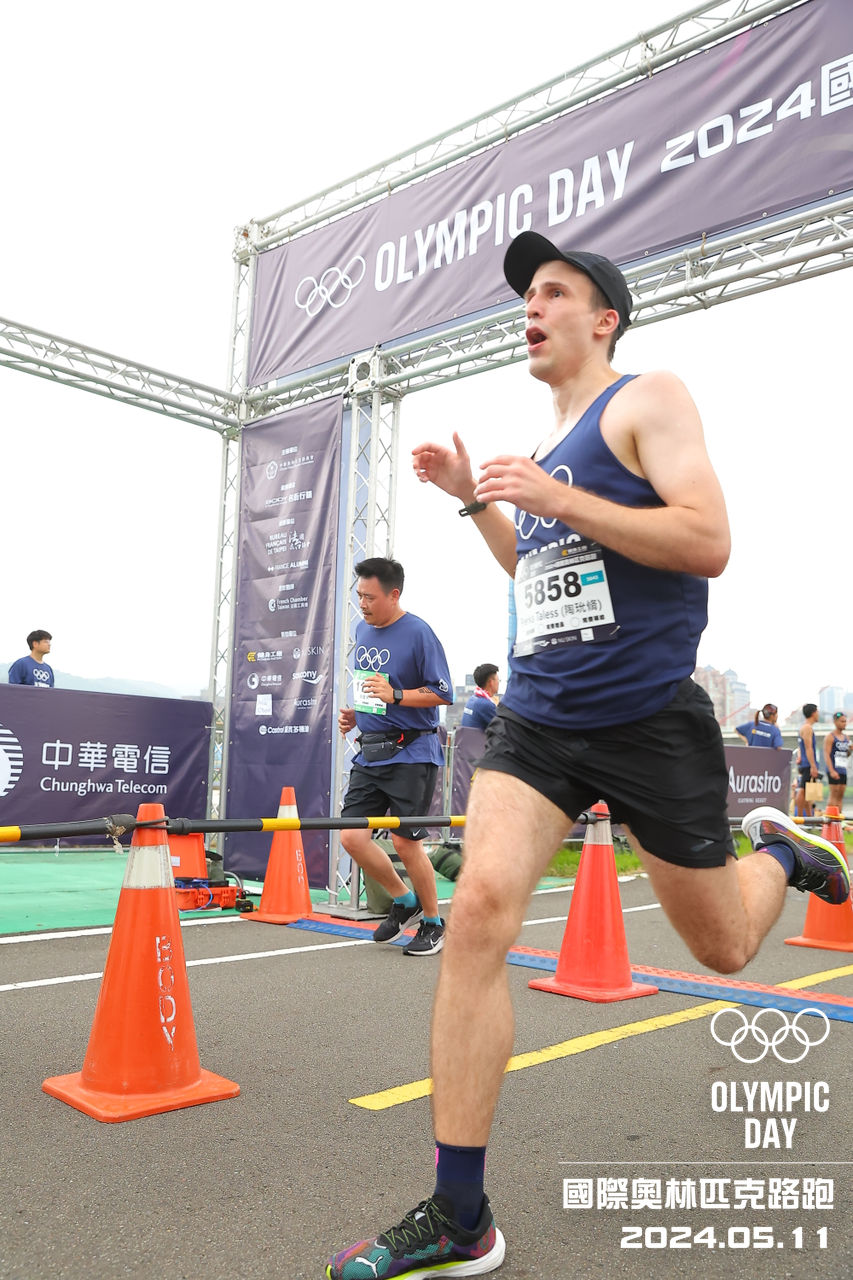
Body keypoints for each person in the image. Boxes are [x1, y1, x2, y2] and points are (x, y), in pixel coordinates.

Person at [325, 232, 850, 1278]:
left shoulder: (649, 398)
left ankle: (781, 855)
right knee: (478, 912)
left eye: (552, 291)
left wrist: (555, 496)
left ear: (603, 317)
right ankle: (460, 1213)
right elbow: (539, 570)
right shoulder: (547, 442)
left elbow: (705, 540)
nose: (531, 306)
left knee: (723, 948)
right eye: (526, 294)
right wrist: (477, 499)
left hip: (647, 718)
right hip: (540, 720)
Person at [337, 556, 453, 957]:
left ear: (394, 595)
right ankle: (404, 900)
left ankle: (434, 923)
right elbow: (373, 690)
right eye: (359, 596)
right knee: (352, 837)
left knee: (406, 842)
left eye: (370, 597)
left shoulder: (419, 633)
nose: (363, 604)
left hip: (413, 752)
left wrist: (397, 695)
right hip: (370, 752)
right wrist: (358, 715)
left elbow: (443, 692)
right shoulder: (362, 631)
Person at [795, 703, 821, 817]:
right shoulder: (807, 728)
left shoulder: (804, 727)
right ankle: (799, 818)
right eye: (817, 712)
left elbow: (801, 747)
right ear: (813, 713)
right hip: (808, 764)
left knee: (808, 794)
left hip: (806, 763)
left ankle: (809, 819)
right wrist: (813, 766)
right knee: (802, 790)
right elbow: (808, 748)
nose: (818, 714)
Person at [824, 712, 850, 812]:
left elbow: (846, 754)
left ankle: (838, 818)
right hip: (833, 769)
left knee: (840, 795)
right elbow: (826, 754)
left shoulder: (846, 738)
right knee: (834, 793)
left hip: (843, 769)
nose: (844, 723)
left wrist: (850, 750)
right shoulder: (830, 737)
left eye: (845, 721)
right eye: (842, 721)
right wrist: (831, 770)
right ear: (835, 722)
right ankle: (830, 818)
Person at [460, 663, 500, 730]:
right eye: (498, 680)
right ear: (491, 682)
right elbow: (502, 729)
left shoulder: (472, 699)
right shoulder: (486, 705)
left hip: (467, 737)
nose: (499, 683)